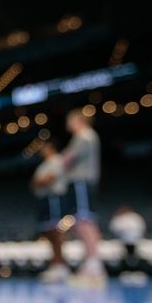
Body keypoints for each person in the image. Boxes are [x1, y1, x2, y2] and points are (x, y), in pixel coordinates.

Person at [63, 109, 105, 286]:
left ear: (78, 120)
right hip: (82, 183)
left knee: (84, 221)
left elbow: (67, 160)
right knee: (84, 221)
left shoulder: (84, 136)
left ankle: (93, 266)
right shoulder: (87, 136)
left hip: (81, 182)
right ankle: (92, 263)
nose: (67, 123)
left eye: (70, 119)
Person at [30, 139, 70, 282]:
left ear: (52, 147)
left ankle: (60, 266)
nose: (42, 151)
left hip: (54, 198)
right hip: (43, 200)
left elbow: (47, 181)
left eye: (45, 148)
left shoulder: (57, 161)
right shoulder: (43, 165)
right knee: (48, 232)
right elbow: (33, 185)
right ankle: (55, 264)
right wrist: (38, 182)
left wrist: (39, 181)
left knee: (55, 232)